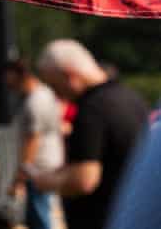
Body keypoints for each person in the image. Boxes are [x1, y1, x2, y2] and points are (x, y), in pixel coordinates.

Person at [30, 39, 148, 229]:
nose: (55, 94)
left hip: (103, 217)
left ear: (70, 75)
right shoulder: (130, 97)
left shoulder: (91, 108)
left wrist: (46, 181)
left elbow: (84, 179)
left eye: (54, 85)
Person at [2, 59, 63, 229]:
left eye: (8, 77)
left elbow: (33, 140)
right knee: (38, 217)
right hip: (45, 166)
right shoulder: (43, 95)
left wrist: (20, 177)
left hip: (40, 168)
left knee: (40, 218)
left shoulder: (35, 101)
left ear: (18, 75)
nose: (6, 82)